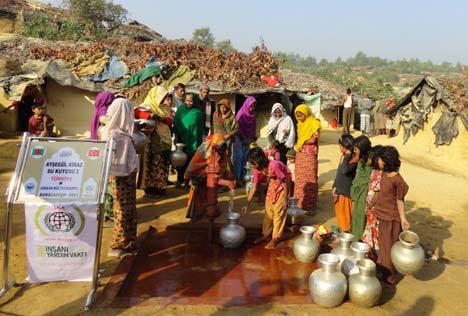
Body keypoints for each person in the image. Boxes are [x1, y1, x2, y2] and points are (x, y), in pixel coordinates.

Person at [100, 97, 139, 258]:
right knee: (121, 211)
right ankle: (117, 245)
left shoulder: (122, 133)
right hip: (119, 178)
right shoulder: (113, 135)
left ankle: (128, 243)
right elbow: (113, 162)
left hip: (127, 177)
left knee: (129, 210)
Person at [242, 147, 291, 249]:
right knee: (268, 212)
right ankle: (266, 235)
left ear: (257, 160)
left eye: (251, 163)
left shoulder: (274, 165)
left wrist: (286, 198)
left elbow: (285, 180)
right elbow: (254, 187)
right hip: (273, 185)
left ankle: (275, 239)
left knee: (279, 213)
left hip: (284, 185)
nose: (250, 165)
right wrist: (247, 204)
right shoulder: (257, 170)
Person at [375, 146, 409, 284]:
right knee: (383, 246)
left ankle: (390, 278)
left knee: (390, 249)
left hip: (392, 219)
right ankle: (383, 272)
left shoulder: (398, 180)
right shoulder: (384, 174)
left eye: (380, 159)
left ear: (387, 161)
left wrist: (403, 219)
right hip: (382, 216)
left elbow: (400, 200)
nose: (378, 161)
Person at [140, 86, 173, 198]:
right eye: (162, 96)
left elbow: (169, 120)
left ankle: (161, 188)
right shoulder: (147, 106)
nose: (164, 99)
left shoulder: (165, 108)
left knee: (163, 163)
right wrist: (151, 115)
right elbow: (138, 114)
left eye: (165, 96)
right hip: (152, 140)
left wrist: (160, 118)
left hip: (165, 140)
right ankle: (150, 189)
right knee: (152, 164)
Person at [293, 104, 321, 213]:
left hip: (309, 156)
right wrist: (301, 143)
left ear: (306, 112)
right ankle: (300, 204)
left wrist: (302, 142)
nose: (299, 116)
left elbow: (313, 140)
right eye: (297, 115)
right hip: (300, 156)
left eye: (301, 114)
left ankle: (311, 206)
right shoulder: (300, 124)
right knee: (300, 180)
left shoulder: (314, 123)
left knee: (310, 179)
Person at [173, 93, 204, 189]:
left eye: (191, 101)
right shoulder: (181, 110)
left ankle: (188, 182)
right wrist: (176, 137)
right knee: (181, 161)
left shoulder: (198, 111)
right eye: (187, 100)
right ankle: (180, 180)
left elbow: (200, 128)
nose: (188, 103)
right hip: (182, 139)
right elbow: (176, 123)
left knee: (191, 161)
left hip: (194, 141)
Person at [332, 134, 358, 232]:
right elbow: (338, 172)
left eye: (340, 146)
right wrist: (334, 185)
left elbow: (344, 170)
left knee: (345, 213)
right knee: (339, 211)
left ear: (345, 146)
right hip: (339, 188)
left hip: (346, 190)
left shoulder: (353, 159)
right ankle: (343, 229)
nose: (339, 148)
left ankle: (345, 232)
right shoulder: (343, 157)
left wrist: (347, 156)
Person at [362, 145, 385, 257]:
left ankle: (375, 254)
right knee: (371, 228)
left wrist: (369, 206)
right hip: (371, 205)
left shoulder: (381, 174)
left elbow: (377, 193)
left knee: (374, 229)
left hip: (375, 207)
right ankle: (371, 252)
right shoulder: (374, 171)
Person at [350, 135, 372, 240]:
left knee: (360, 216)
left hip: (364, 192)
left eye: (356, 149)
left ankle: (358, 239)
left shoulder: (370, 161)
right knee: (356, 215)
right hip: (358, 190)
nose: (354, 151)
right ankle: (355, 236)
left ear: (362, 148)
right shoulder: (361, 158)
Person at [234, 96, 257, 186]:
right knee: (238, 158)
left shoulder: (253, 115)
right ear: (247, 105)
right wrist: (244, 139)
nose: (252, 108)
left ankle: (243, 176)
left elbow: (253, 127)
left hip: (248, 139)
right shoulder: (241, 114)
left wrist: (251, 138)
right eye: (251, 106)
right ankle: (237, 178)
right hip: (239, 139)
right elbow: (237, 128)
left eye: (254, 106)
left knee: (245, 158)